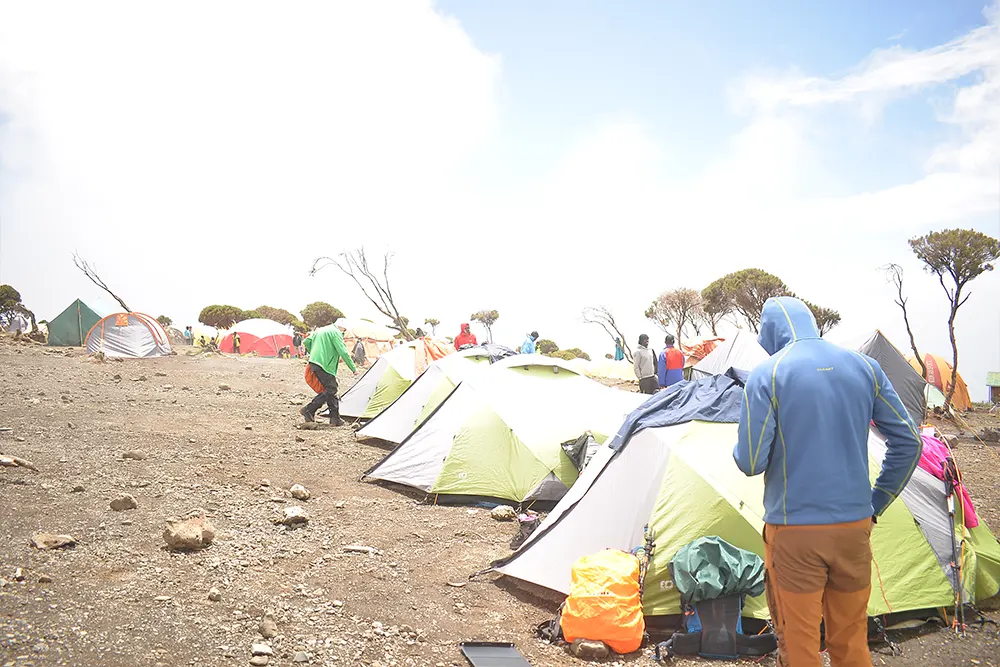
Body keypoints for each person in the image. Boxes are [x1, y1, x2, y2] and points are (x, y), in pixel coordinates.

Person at [733, 297, 921, 667]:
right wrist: (876, 503)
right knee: (851, 642)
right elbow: (910, 442)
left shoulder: (768, 373)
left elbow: (750, 462)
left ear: (770, 332)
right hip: (855, 528)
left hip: (794, 533)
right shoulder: (865, 367)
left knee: (799, 645)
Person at [301, 325, 359, 426]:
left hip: (314, 362)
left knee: (330, 389)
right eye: (344, 332)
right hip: (324, 364)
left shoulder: (320, 330)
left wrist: (314, 353)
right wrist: (353, 368)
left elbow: (306, 341)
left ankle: (335, 418)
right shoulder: (335, 333)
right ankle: (309, 409)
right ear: (342, 329)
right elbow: (343, 351)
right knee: (331, 389)